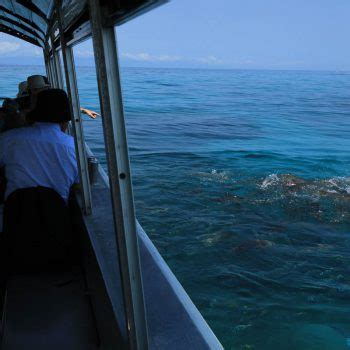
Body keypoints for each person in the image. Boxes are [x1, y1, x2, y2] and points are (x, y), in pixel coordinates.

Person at [0, 88, 79, 203]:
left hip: (15, 214)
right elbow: (77, 185)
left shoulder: (8, 138)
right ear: (65, 120)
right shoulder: (72, 146)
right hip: (56, 214)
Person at [27, 75, 101, 119]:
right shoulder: (30, 104)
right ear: (34, 90)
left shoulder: (45, 100)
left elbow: (62, 106)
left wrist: (84, 110)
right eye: (45, 88)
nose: (47, 90)